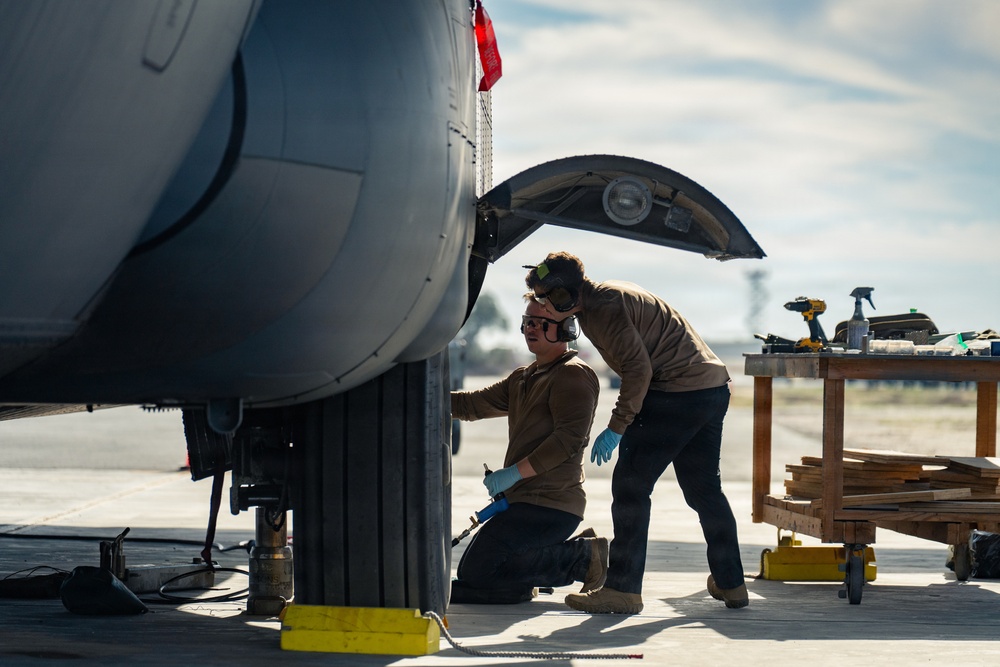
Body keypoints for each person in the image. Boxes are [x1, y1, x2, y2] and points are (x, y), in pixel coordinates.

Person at [524, 251, 748, 614]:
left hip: (676, 393)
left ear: (566, 295)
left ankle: (623, 590)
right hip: (710, 390)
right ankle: (731, 582)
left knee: (630, 488)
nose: (544, 307)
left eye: (548, 298)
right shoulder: (602, 296)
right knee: (704, 490)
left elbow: (638, 370)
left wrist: (617, 426)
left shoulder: (604, 307)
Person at [449, 298, 606, 604]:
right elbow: (471, 405)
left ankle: (582, 558)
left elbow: (568, 440)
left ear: (566, 329)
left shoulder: (573, 375)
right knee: (471, 573)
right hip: (524, 502)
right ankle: (525, 581)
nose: (531, 328)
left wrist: (513, 474)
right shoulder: (524, 377)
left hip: (551, 504)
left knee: (479, 573)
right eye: (528, 322)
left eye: (542, 323)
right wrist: (420, 394)